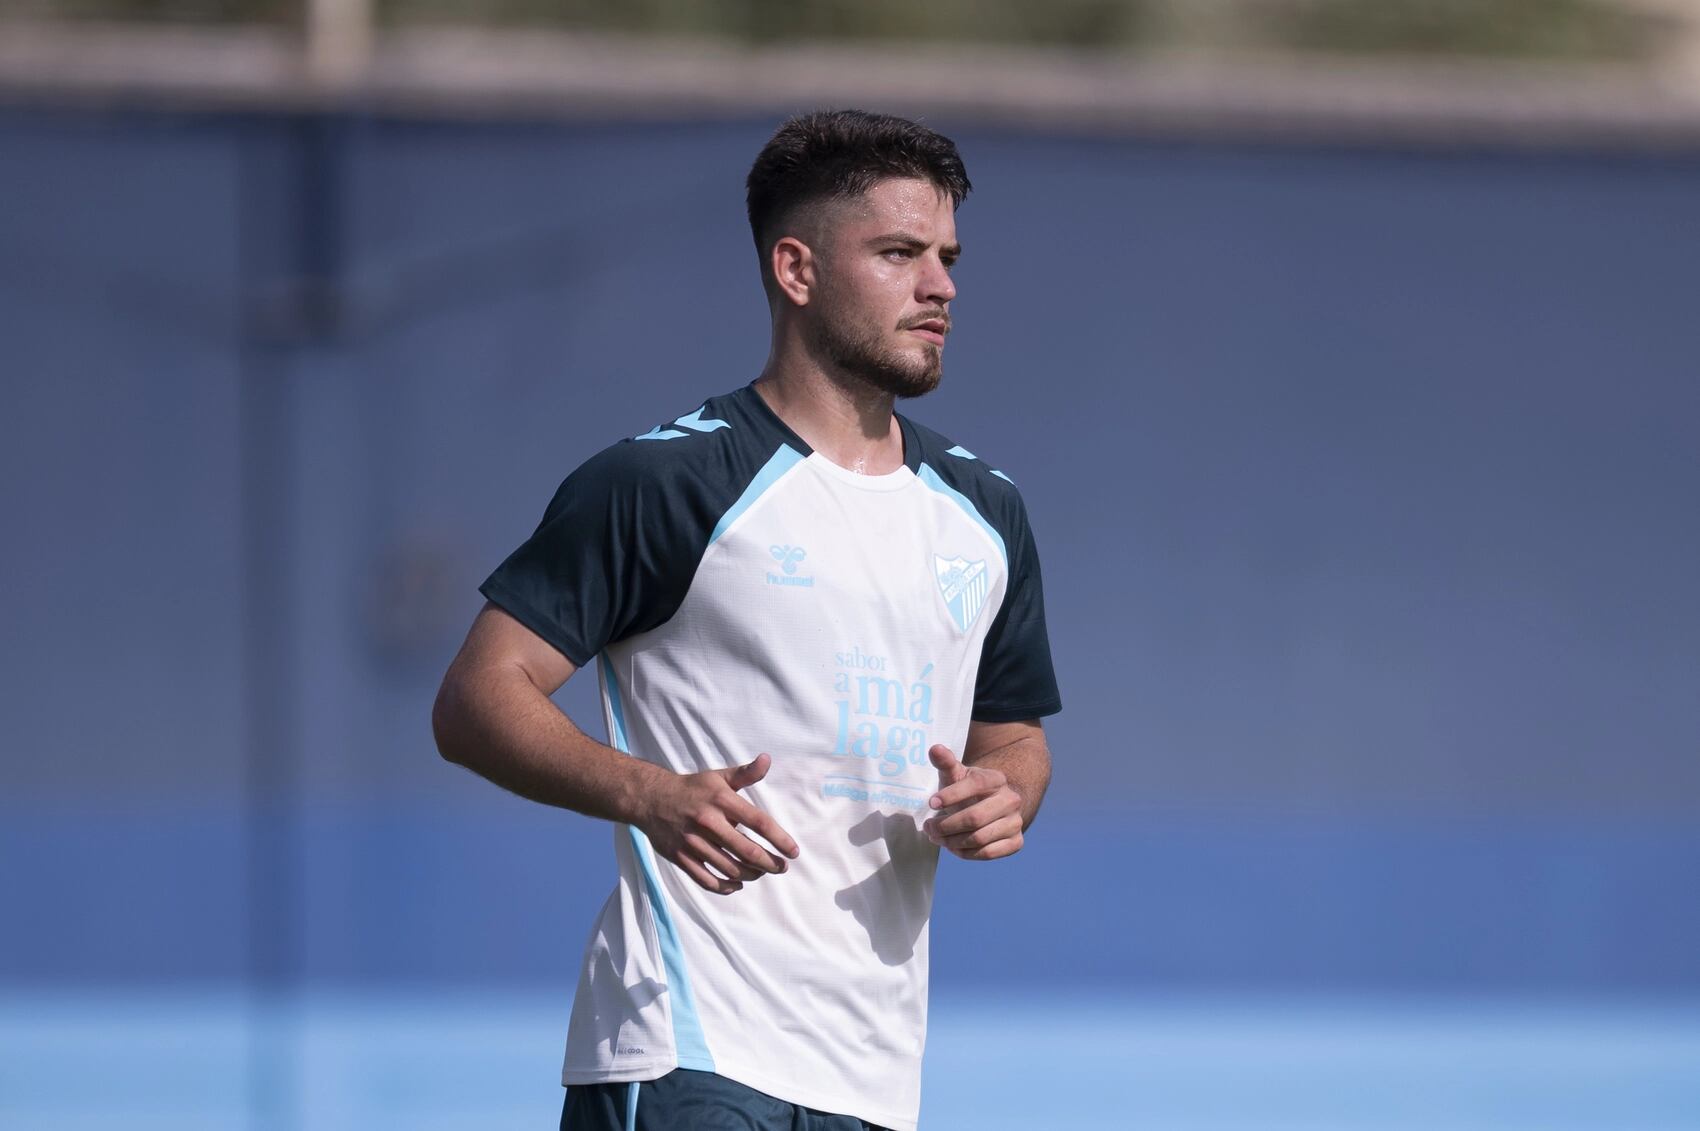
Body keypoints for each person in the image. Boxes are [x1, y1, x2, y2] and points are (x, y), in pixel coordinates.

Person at [432, 108, 1061, 1131]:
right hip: (688, 1054)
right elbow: (474, 701)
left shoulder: (985, 513)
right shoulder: (664, 482)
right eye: (897, 254)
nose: (938, 285)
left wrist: (1007, 795)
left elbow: (1014, 738)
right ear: (796, 269)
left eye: (945, 256)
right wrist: (649, 794)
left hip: (875, 1083)